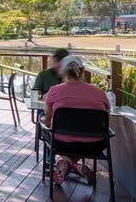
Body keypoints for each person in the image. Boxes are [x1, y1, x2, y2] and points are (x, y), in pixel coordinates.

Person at [42, 55, 110, 185]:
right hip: (95, 145)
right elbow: (107, 119)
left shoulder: (54, 91)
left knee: (43, 128)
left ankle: (67, 163)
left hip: (62, 143)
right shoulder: (99, 92)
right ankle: (77, 167)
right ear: (83, 71)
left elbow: (47, 116)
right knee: (80, 140)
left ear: (62, 71)